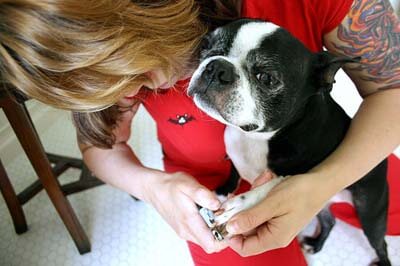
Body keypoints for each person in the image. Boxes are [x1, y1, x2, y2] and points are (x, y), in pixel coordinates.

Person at [0, 0, 399, 265]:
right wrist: (153, 186)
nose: (125, 94)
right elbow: (100, 145)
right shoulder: (98, 67)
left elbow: (394, 93)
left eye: (130, 68)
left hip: (322, 150)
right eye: (101, 88)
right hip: (209, 187)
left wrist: (322, 184)